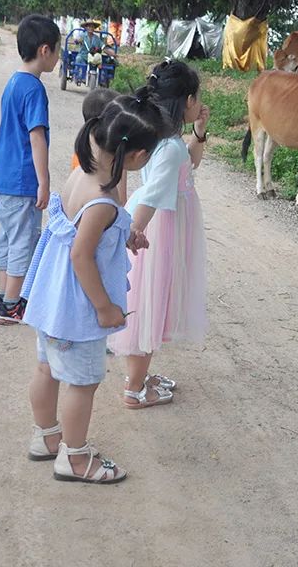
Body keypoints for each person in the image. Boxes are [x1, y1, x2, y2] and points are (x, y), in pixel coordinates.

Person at [22, 93, 168, 483]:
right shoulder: (103, 200)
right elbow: (82, 256)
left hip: (52, 298)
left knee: (46, 368)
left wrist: (125, 235)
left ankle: (46, 437)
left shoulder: (82, 174)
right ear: (136, 157)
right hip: (78, 308)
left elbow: (81, 234)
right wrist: (104, 307)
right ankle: (75, 457)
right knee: (82, 383)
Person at [109, 60, 210, 408]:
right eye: (195, 97)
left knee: (152, 302)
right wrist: (132, 230)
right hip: (160, 228)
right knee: (149, 304)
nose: (199, 102)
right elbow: (151, 197)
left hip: (166, 224)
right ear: (183, 100)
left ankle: (138, 377)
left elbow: (190, 164)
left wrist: (199, 130)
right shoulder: (169, 146)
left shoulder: (165, 137)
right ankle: (134, 389)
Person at [0, 14, 61, 325]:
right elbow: (36, 138)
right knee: (23, 242)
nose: (59, 58)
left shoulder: (14, 82)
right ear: (45, 50)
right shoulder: (33, 89)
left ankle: (5, 295)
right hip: (22, 182)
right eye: (58, 51)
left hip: (3, 180)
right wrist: (43, 182)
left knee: (8, 239)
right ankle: (10, 305)